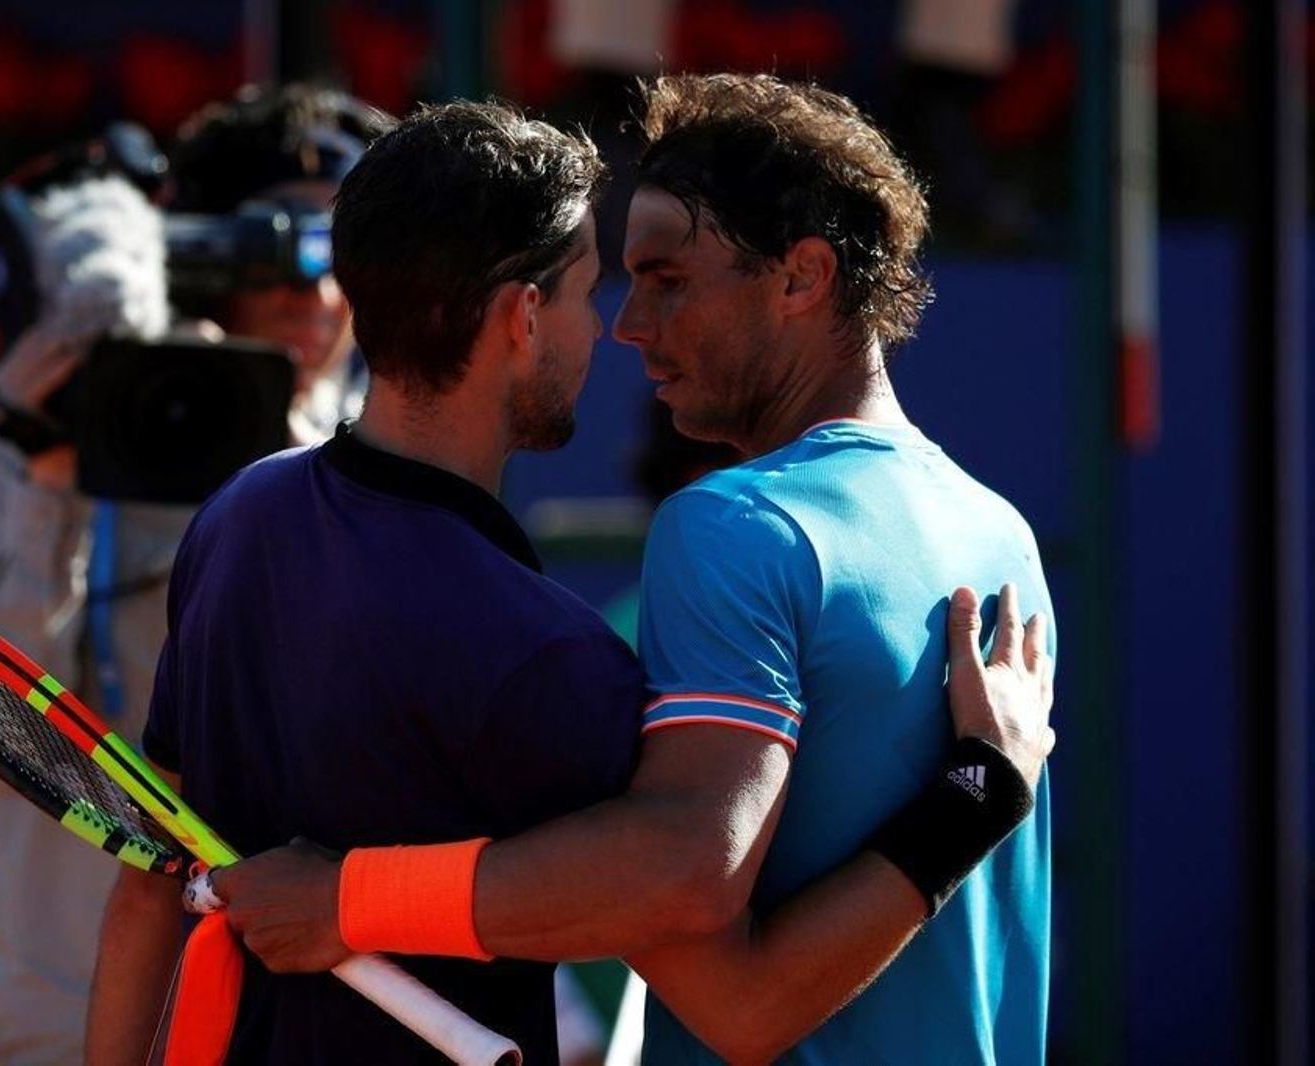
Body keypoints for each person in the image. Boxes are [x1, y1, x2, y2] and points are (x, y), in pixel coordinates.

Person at [92, 92, 1054, 1066]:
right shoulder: (1002, 538)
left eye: (664, 280)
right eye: (598, 290)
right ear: (523, 317)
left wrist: (345, 900)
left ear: (803, 276)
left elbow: (145, 888)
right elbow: (704, 917)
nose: (623, 327)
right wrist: (979, 791)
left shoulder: (238, 516)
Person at [0, 83, 391, 1064]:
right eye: (268, 249)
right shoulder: (44, 434)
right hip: (75, 1018)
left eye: (343, 254)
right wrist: (46, 471)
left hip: (304, 1018)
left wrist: (294, 474)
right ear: (193, 259)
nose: (313, 293)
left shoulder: (393, 456)